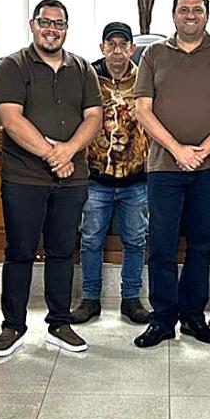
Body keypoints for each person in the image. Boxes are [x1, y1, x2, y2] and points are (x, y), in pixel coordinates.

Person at [132, 0, 210, 348]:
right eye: (184, 10)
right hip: (164, 167)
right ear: (174, 15)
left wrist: (201, 151)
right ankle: (162, 319)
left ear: (207, 15)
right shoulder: (152, 54)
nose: (191, 15)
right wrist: (178, 150)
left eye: (197, 9)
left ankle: (194, 318)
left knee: (201, 244)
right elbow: (143, 110)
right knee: (162, 245)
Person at [0, 0, 103, 357]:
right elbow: (11, 118)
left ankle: (59, 323)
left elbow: (94, 117)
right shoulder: (12, 66)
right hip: (24, 178)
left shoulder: (83, 68)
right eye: (45, 22)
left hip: (72, 179)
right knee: (20, 251)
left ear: (66, 28)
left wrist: (68, 151)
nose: (52, 29)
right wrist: (53, 154)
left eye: (59, 23)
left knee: (61, 251)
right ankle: (13, 326)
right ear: (32, 24)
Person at [70, 21, 152, 326]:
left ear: (132, 48)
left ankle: (131, 299)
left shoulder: (146, 77)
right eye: (111, 44)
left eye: (123, 45)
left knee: (135, 239)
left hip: (136, 178)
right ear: (102, 47)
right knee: (90, 239)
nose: (117, 51)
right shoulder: (87, 77)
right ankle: (89, 299)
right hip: (96, 178)